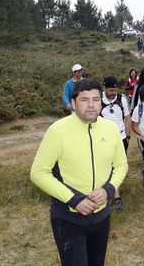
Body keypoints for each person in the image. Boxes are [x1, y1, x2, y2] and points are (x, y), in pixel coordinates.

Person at [30, 79, 128, 266]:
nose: (91, 105)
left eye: (96, 99)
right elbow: (38, 172)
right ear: (73, 103)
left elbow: (121, 165)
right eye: (84, 100)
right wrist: (75, 200)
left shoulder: (111, 128)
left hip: (102, 217)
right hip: (68, 219)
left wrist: (108, 190)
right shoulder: (58, 131)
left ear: (102, 102)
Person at [101, 76, 132, 211]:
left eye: (115, 90)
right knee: (106, 168)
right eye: (111, 90)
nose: (114, 93)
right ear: (104, 88)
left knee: (118, 167)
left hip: (121, 138)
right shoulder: (98, 99)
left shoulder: (122, 99)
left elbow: (127, 118)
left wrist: (128, 135)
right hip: (103, 140)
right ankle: (113, 196)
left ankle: (115, 195)